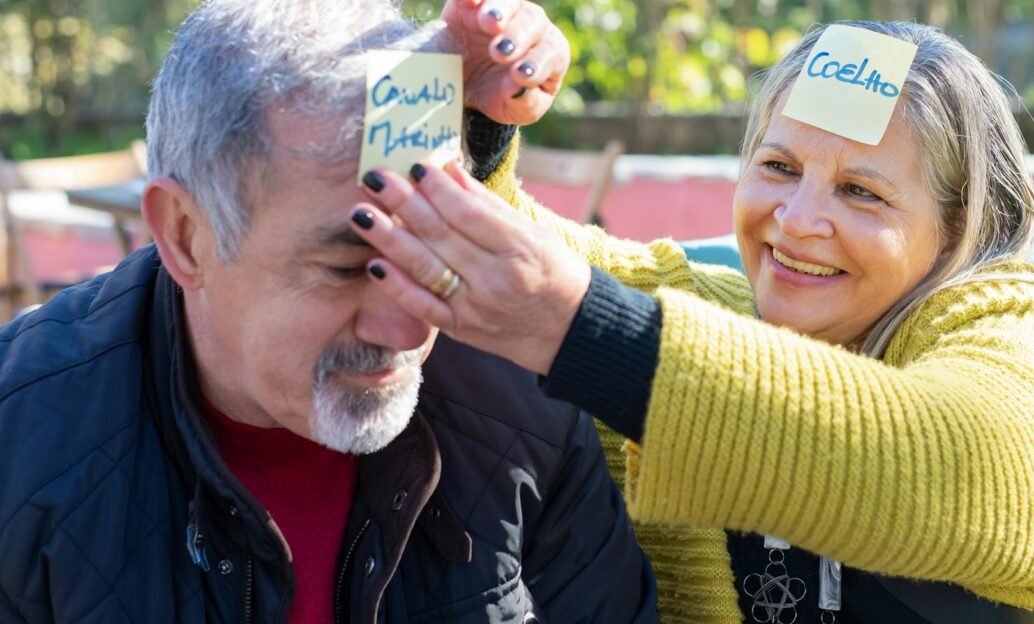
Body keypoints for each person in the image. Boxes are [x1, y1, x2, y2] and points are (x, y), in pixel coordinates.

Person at [347, 20, 1034, 624]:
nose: (796, 218)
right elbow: (449, 232)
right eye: (778, 167)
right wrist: (456, 82)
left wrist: (582, 328)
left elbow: (954, 459)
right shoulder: (704, 308)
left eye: (862, 191)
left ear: (959, 228)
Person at [0, 1, 658, 622]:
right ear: (184, 235)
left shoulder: (529, 399)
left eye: (434, 250)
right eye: (347, 267)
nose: (411, 327)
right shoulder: (20, 448)